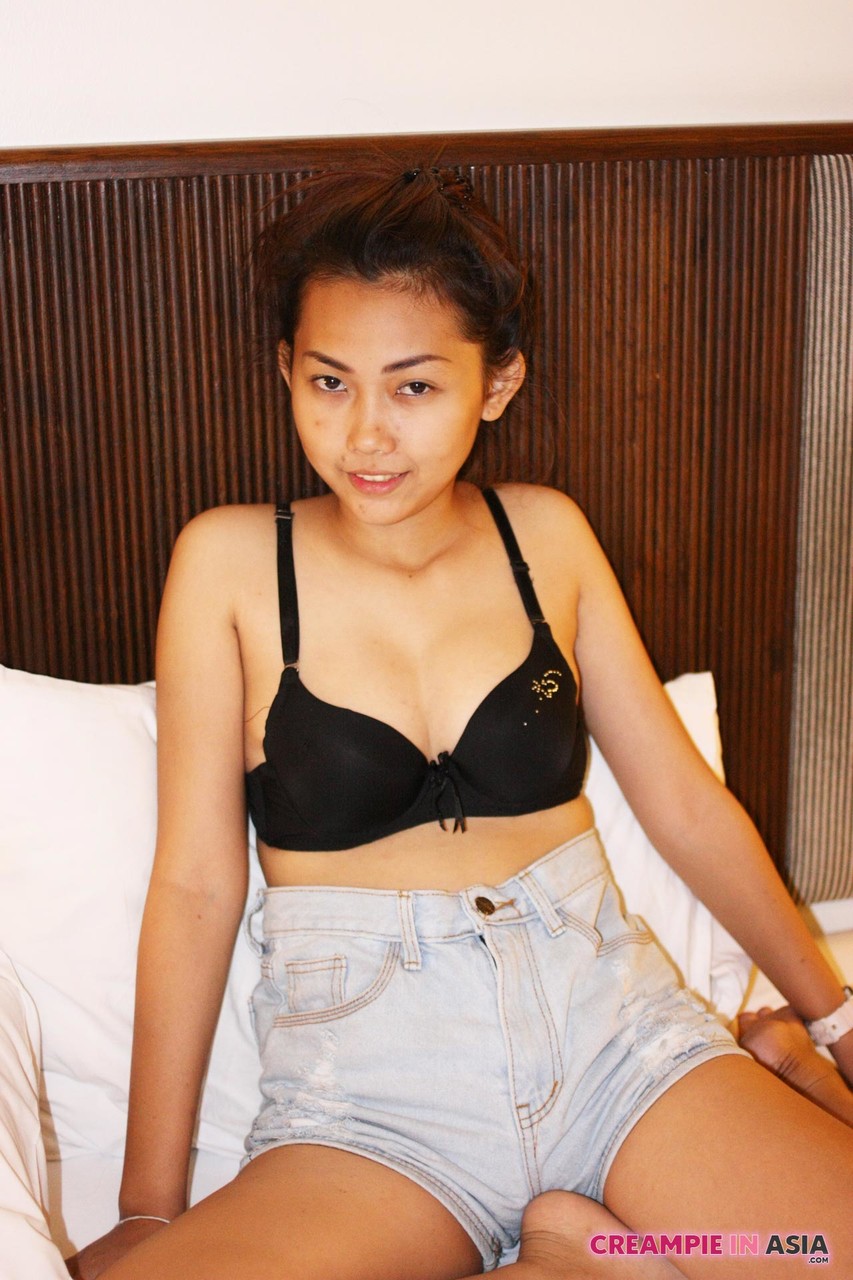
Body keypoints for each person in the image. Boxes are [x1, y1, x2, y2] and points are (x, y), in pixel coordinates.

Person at [69, 163, 853, 1280]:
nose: (366, 435)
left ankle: (628, 1231)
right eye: (329, 382)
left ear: (496, 383)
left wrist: (832, 1017)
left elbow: (681, 803)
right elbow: (196, 884)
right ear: (285, 370)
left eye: (414, 388)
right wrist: (149, 1205)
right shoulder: (228, 564)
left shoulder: (548, 538)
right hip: (368, 1103)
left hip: (618, 1046)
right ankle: (572, 1254)